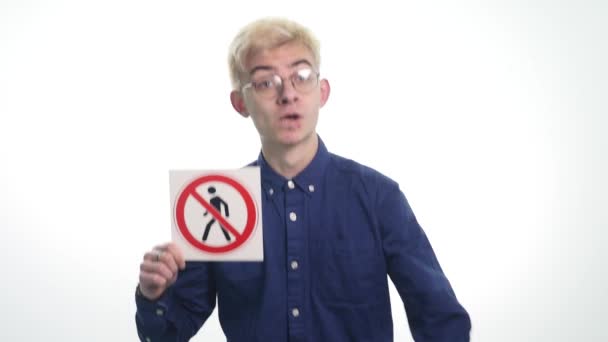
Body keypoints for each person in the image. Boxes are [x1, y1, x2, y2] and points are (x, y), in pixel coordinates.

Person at [135, 17, 471, 342]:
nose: (288, 94)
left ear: (322, 92)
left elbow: (440, 319)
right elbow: (168, 333)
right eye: (266, 82)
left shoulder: (378, 197)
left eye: (302, 76)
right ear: (240, 103)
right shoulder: (219, 201)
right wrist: (154, 296)